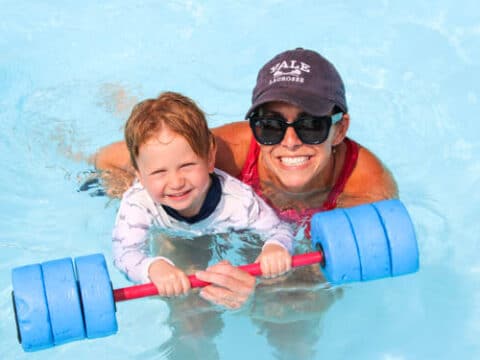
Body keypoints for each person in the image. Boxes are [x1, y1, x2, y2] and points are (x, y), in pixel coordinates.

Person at [94, 48, 398, 358]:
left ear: (340, 129)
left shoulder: (365, 191)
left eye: (310, 125)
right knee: (190, 318)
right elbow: (109, 161)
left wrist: (258, 298)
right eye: (270, 126)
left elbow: (328, 287)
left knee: (295, 334)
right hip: (200, 228)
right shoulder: (227, 153)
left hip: (276, 248)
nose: (290, 142)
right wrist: (148, 204)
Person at [112, 91, 293, 296]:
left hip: (218, 230)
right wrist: (152, 268)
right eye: (159, 172)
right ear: (140, 175)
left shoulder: (239, 201)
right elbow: (124, 254)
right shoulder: (138, 202)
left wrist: (276, 246)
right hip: (170, 233)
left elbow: (280, 229)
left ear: (209, 159)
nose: (176, 182)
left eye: (187, 166)